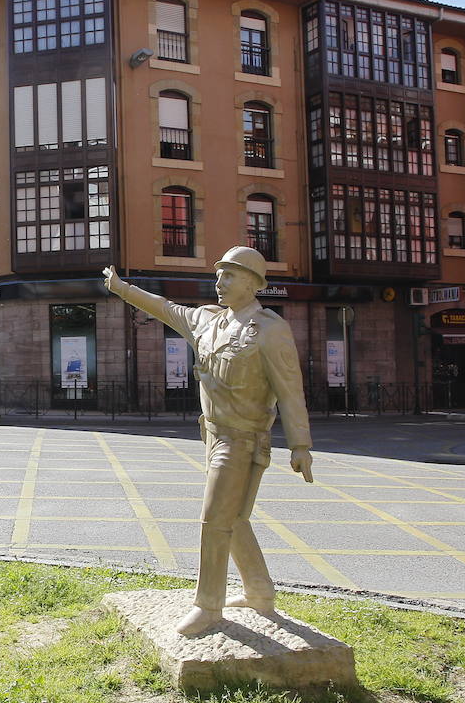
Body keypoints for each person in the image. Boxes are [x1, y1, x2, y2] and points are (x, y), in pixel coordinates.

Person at [103, 246, 313, 636]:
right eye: (219, 275)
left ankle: (208, 605)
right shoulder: (207, 321)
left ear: (252, 284)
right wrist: (121, 288)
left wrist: (300, 444)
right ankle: (260, 592)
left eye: (229, 276)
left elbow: (290, 390)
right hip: (213, 434)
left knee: (215, 519)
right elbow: (163, 307)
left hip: (244, 438)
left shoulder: (269, 330)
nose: (219, 282)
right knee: (233, 518)